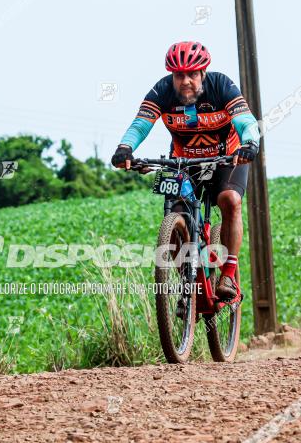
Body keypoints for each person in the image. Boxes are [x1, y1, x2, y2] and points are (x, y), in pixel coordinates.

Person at [111, 41, 260, 300]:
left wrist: (250, 143)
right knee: (176, 212)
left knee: (229, 200)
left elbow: (246, 121)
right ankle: (187, 285)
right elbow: (140, 124)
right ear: (172, 75)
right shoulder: (162, 91)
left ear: (203, 72)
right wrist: (125, 148)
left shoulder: (221, 86)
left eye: (192, 74)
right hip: (183, 162)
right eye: (179, 75)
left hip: (227, 160)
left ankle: (228, 274)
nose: (186, 81)